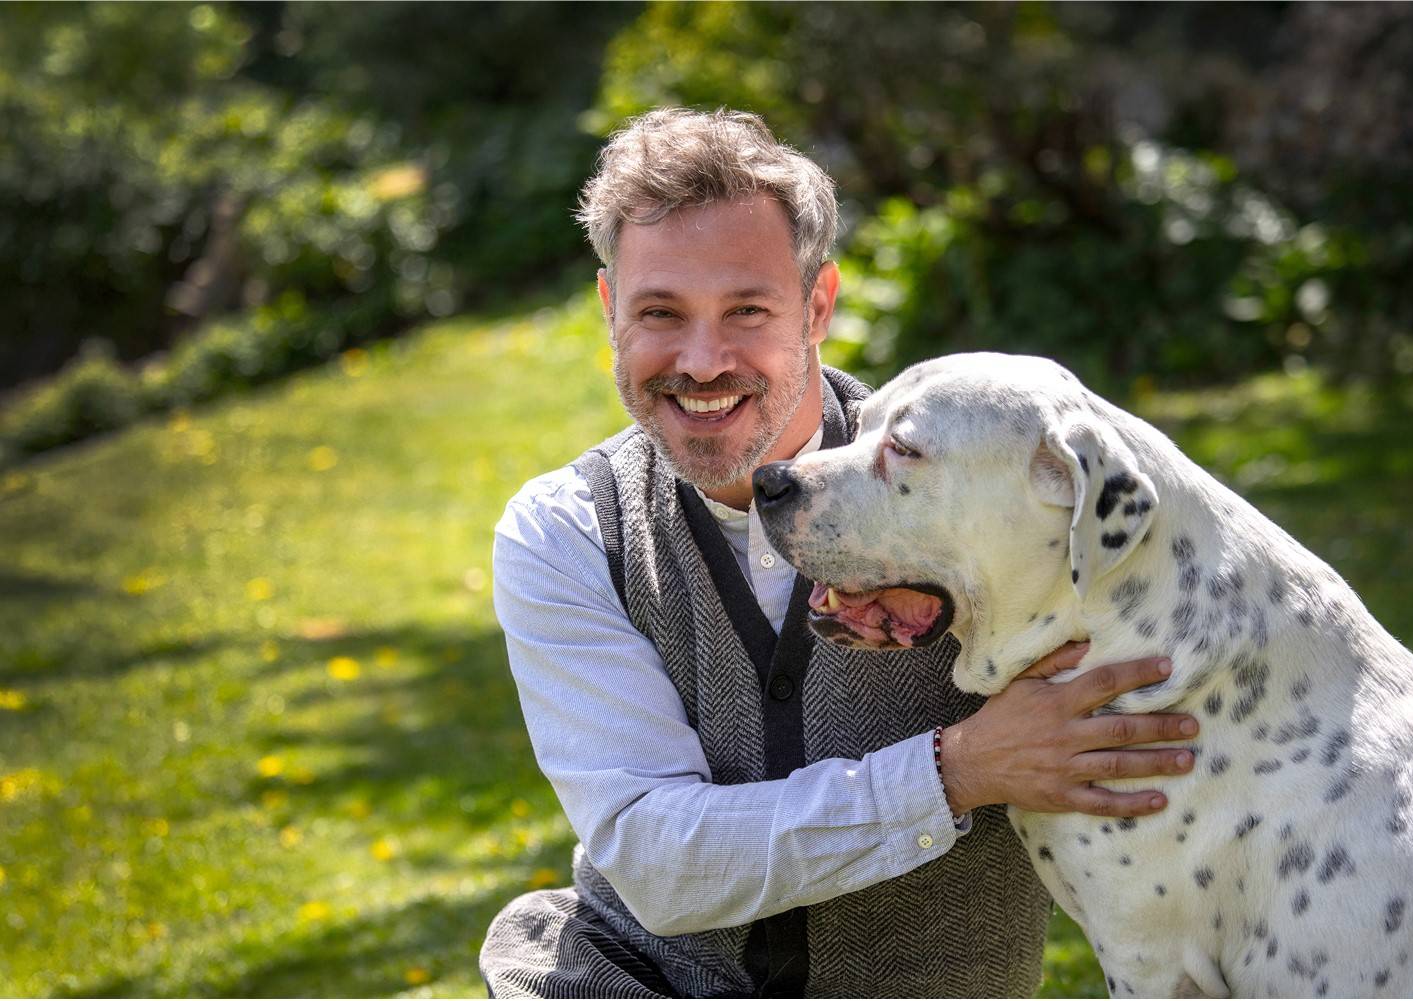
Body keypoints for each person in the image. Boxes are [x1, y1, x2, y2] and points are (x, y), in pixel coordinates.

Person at [480, 107, 1198, 998]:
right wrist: (958, 770)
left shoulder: (985, 490)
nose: (702, 362)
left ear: (818, 305)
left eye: (747, 310)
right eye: (660, 312)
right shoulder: (567, 529)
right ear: (608, 308)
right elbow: (655, 860)